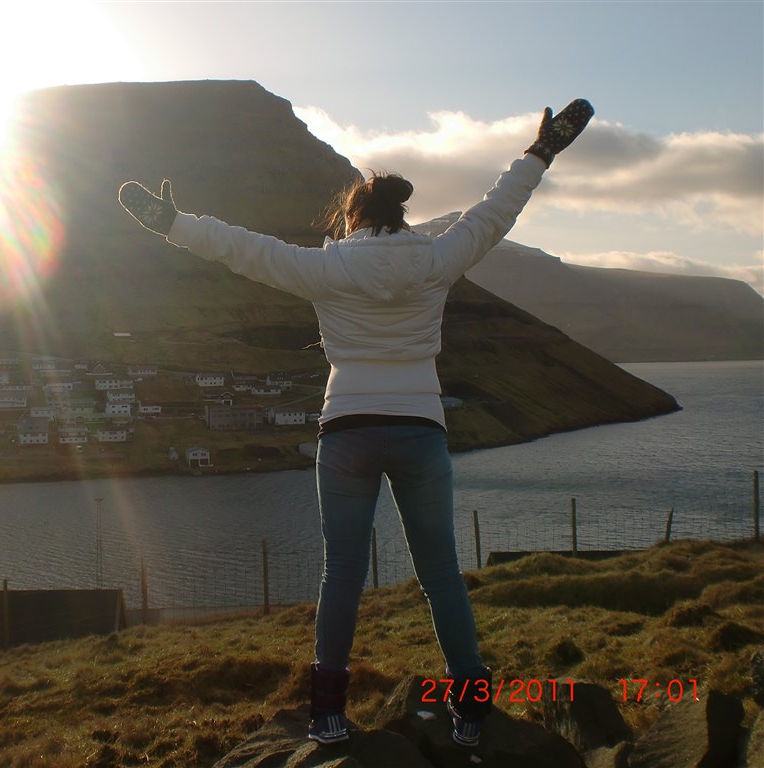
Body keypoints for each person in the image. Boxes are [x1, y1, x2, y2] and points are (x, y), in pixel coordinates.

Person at [117, 99, 594, 748]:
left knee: (341, 573)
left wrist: (175, 224)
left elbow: (244, 250)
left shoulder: (326, 268)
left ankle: (328, 715)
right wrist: (539, 154)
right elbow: (496, 211)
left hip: (346, 432)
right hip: (421, 431)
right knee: (442, 576)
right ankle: (472, 712)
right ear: (399, 216)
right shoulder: (438, 258)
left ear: (352, 218)